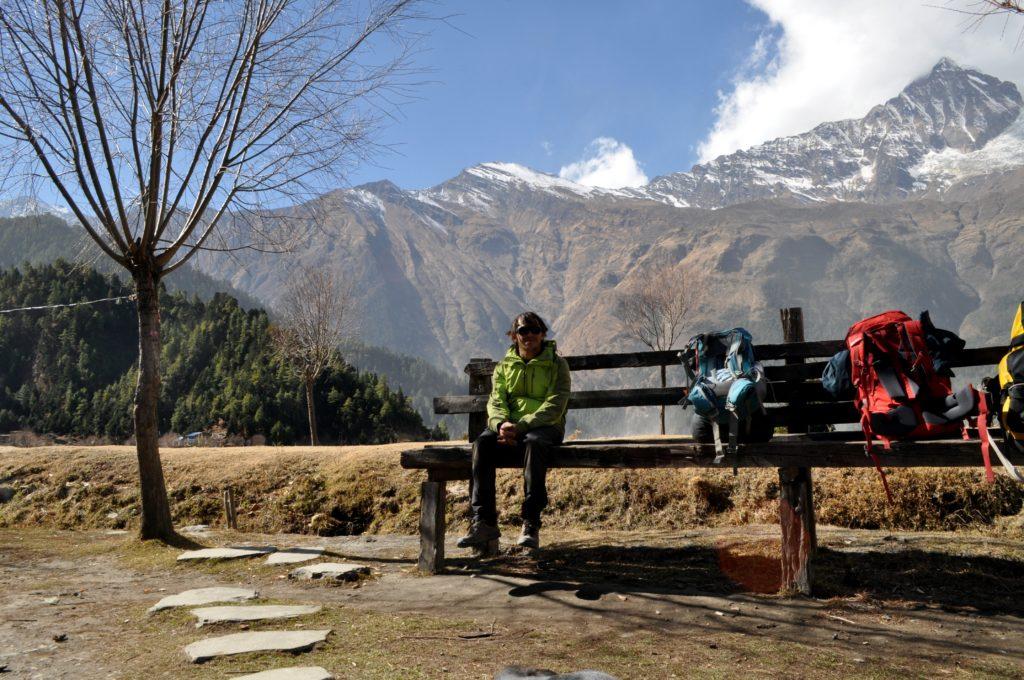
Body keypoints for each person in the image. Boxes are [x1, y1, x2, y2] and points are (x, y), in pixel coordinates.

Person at [457, 311, 571, 550]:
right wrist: (501, 425)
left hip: (545, 428)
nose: (529, 334)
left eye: (534, 330)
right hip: (508, 428)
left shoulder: (557, 365)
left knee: (534, 442)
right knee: (482, 444)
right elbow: (496, 400)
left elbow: (555, 405)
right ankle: (484, 522)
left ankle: (531, 522)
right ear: (514, 336)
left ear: (543, 334)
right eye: (522, 330)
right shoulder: (504, 367)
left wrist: (522, 426)